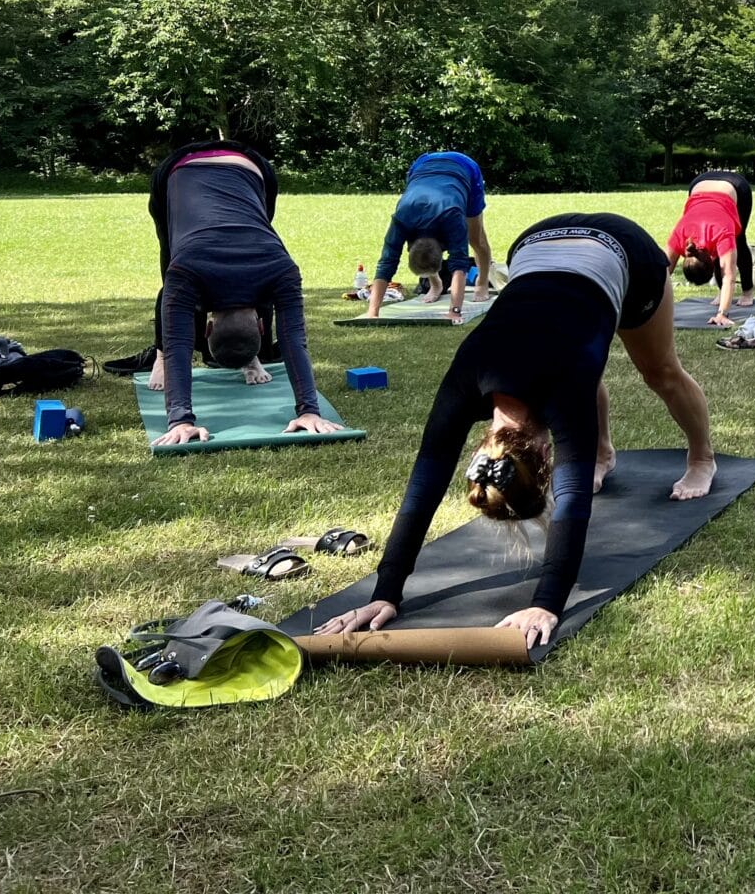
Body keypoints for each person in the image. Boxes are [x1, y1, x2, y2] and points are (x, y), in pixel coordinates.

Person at [314, 212, 714, 651]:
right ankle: (603, 453)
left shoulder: (553, 388)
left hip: (623, 249)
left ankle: (702, 459)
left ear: (545, 457)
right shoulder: (468, 381)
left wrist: (548, 603)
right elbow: (423, 485)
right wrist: (385, 591)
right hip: (534, 246)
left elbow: (573, 502)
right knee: (581, 355)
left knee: (658, 371)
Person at [145, 140, 341, 448]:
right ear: (263, 327)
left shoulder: (280, 268)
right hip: (215, 167)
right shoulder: (278, 270)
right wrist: (308, 411)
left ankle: (170, 357)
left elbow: (180, 344)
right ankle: (162, 357)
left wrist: (180, 419)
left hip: (231, 165)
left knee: (172, 261)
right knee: (178, 261)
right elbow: (293, 339)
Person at [365, 151, 496, 324]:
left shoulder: (453, 217)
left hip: (464, 168)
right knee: (423, 254)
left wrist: (454, 311)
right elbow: (386, 264)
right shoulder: (401, 220)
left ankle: (482, 282)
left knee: (476, 239)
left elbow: (459, 264)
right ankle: (436, 284)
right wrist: (372, 312)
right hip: (423, 165)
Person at [666, 170, 755, 328]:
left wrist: (722, 314)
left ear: (712, 261)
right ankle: (722, 292)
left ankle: (748, 291)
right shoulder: (680, 235)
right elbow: (662, 273)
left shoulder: (723, 233)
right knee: (731, 251)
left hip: (735, 186)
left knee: (739, 242)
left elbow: (729, 275)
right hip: (698, 184)